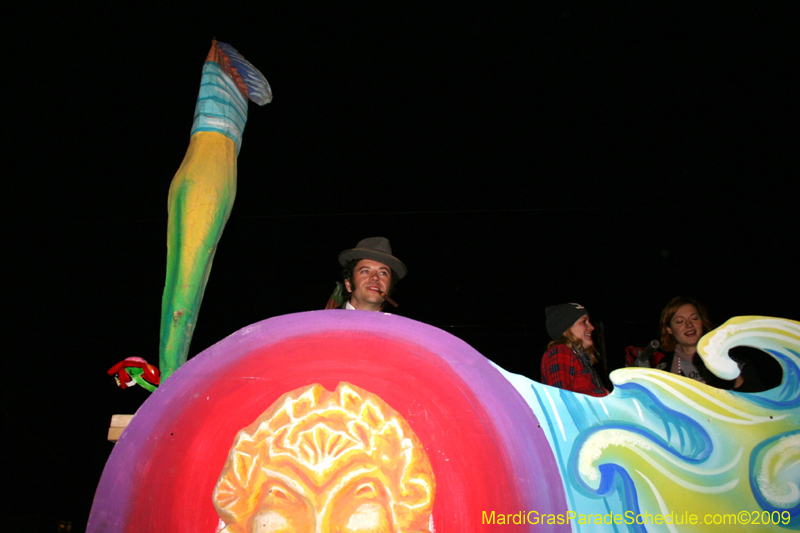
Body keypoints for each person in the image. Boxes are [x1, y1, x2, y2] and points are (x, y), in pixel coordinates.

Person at [626, 296, 762, 391]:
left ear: (702, 322)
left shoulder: (734, 361)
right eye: (680, 321)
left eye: (694, 318)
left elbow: (762, 407)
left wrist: (735, 378)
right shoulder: (662, 369)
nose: (689, 325)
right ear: (669, 329)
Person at [541, 303, 609, 397]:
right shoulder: (560, 351)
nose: (592, 327)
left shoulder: (580, 359)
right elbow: (561, 396)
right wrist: (604, 394)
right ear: (567, 327)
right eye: (584, 322)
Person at [336, 237, 407, 311]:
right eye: (365, 271)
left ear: (390, 287)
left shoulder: (398, 323)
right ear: (349, 284)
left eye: (383, 273)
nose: (375, 277)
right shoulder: (325, 320)